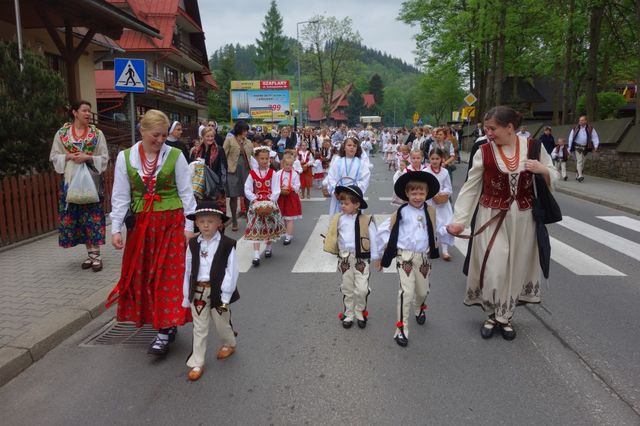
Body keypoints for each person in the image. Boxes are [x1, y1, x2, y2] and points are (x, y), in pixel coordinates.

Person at [447, 106, 558, 341]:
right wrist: (460, 221)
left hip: (524, 218)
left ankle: (503, 317)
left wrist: (542, 171)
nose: (488, 132)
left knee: (514, 268)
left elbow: (553, 174)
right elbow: (471, 187)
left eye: (492, 128)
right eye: (487, 128)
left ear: (510, 128)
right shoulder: (483, 151)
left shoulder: (534, 148)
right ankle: (492, 311)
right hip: (491, 215)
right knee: (495, 267)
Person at [107, 109, 196, 356]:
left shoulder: (176, 156)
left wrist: (190, 227)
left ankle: (164, 330)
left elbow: (187, 193)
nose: (160, 140)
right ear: (142, 131)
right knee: (145, 276)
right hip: (142, 228)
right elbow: (120, 196)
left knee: (168, 276)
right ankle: (163, 322)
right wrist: (116, 229)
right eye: (155, 135)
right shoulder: (126, 158)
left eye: (164, 135)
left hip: (171, 224)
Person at [376, 171, 440, 347]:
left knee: (422, 291)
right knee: (406, 292)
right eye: (414, 193)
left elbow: (437, 230)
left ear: (427, 194)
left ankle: (419, 307)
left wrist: (451, 232)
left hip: (423, 258)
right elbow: (385, 232)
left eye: (421, 193)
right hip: (404, 257)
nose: (417, 197)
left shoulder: (431, 212)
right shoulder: (401, 212)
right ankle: (401, 329)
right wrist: (380, 255)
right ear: (407, 193)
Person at [182, 201, 239, 381]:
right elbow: (188, 270)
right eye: (202, 221)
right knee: (199, 328)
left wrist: (226, 295)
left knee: (222, 323)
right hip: (198, 292)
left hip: (219, 293)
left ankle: (229, 343)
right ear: (197, 223)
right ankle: (197, 362)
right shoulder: (192, 244)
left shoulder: (227, 244)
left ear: (219, 223)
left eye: (211, 221)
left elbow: (232, 270)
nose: (206, 225)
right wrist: (186, 296)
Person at [49, 100, 109, 271]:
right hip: (71, 181)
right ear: (75, 112)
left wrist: (88, 158)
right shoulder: (62, 134)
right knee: (79, 218)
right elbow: (54, 156)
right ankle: (90, 254)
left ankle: (96, 255)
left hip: (91, 180)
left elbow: (104, 157)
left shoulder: (97, 134)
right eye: (84, 110)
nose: (88, 114)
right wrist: (68, 156)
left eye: (89, 111)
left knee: (93, 217)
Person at [323, 185, 378, 329]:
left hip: (361, 259)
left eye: (346, 204)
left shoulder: (366, 220)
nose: (342, 206)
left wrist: (377, 257)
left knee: (362, 289)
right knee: (347, 287)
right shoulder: (338, 219)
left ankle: (360, 311)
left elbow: (373, 238)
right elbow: (333, 234)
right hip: (345, 259)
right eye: (341, 203)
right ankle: (349, 313)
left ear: (357, 204)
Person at [244, 146, 286, 266]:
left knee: (269, 225)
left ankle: (268, 247)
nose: (264, 161)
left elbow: (276, 189)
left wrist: (270, 201)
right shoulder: (252, 173)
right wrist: (254, 199)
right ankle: (256, 254)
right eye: (261, 158)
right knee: (256, 227)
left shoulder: (273, 173)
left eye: (266, 159)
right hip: (256, 204)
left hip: (270, 203)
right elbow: (247, 188)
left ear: (270, 159)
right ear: (257, 159)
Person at [324, 137, 371, 215]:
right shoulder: (337, 162)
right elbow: (331, 177)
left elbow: (365, 180)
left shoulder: (361, 164)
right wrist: (336, 191)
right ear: (344, 147)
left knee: (354, 221)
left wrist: (353, 191)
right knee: (338, 221)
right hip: (339, 196)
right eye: (349, 145)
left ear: (357, 149)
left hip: (353, 196)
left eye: (354, 146)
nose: (352, 147)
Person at [224, 121, 253, 231]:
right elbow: (223, 154)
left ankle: (249, 219)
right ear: (239, 130)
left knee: (247, 195)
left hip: (246, 170)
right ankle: (234, 220)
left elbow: (254, 154)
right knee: (233, 195)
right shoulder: (229, 140)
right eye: (244, 130)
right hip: (232, 171)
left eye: (246, 130)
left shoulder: (248, 142)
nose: (246, 132)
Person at [426, 148, 454, 261]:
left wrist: (443, 193)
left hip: (443, 203)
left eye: (437, 158)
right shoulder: (426, 172)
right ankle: (432, 246)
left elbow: (449, 187)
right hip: (430, 202)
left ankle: (445, 251)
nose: (434, 161)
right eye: (432, 158)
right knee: (432, 225)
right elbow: (424, 187)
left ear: (441, 159)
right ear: (429, 159)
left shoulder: (445, 172)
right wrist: (431, 194)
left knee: (445, 225)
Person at [191, 127, 228, 212]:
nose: (210, 138)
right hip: (200, 186)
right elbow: (191, 167)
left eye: (212, 136)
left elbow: (223, 169)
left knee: (216, 212)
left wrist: (221, 186)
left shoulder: (219, 150)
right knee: (202, 211)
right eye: (208, 136)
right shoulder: (196, 151)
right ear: (202, 137)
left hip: (215, 186)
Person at [276, 152, 302, 246]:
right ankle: (285, 231)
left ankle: (288, 236)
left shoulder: (295, 174)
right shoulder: (278, 173)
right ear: (283, 164)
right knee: (282, 217)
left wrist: (290, 187)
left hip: (290, 198)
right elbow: (275, 184)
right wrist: (280, 187)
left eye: (290, 165)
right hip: (281, 197)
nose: (288, 166)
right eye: (287, 164)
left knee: (289, 218)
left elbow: (297, 186)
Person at [568, 115, 600, 182]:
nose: (580, 122)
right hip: (577, 147)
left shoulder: (590, 128)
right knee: (579, 161)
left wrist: (596, 146)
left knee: (583, 162)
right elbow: (571, 138)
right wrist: (569, 147)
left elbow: (595, 137)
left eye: (582, 120)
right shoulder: (575, 128)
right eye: (580, 120)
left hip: (586, 147)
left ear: (586, 121)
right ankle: (580, 175)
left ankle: (577, 173)